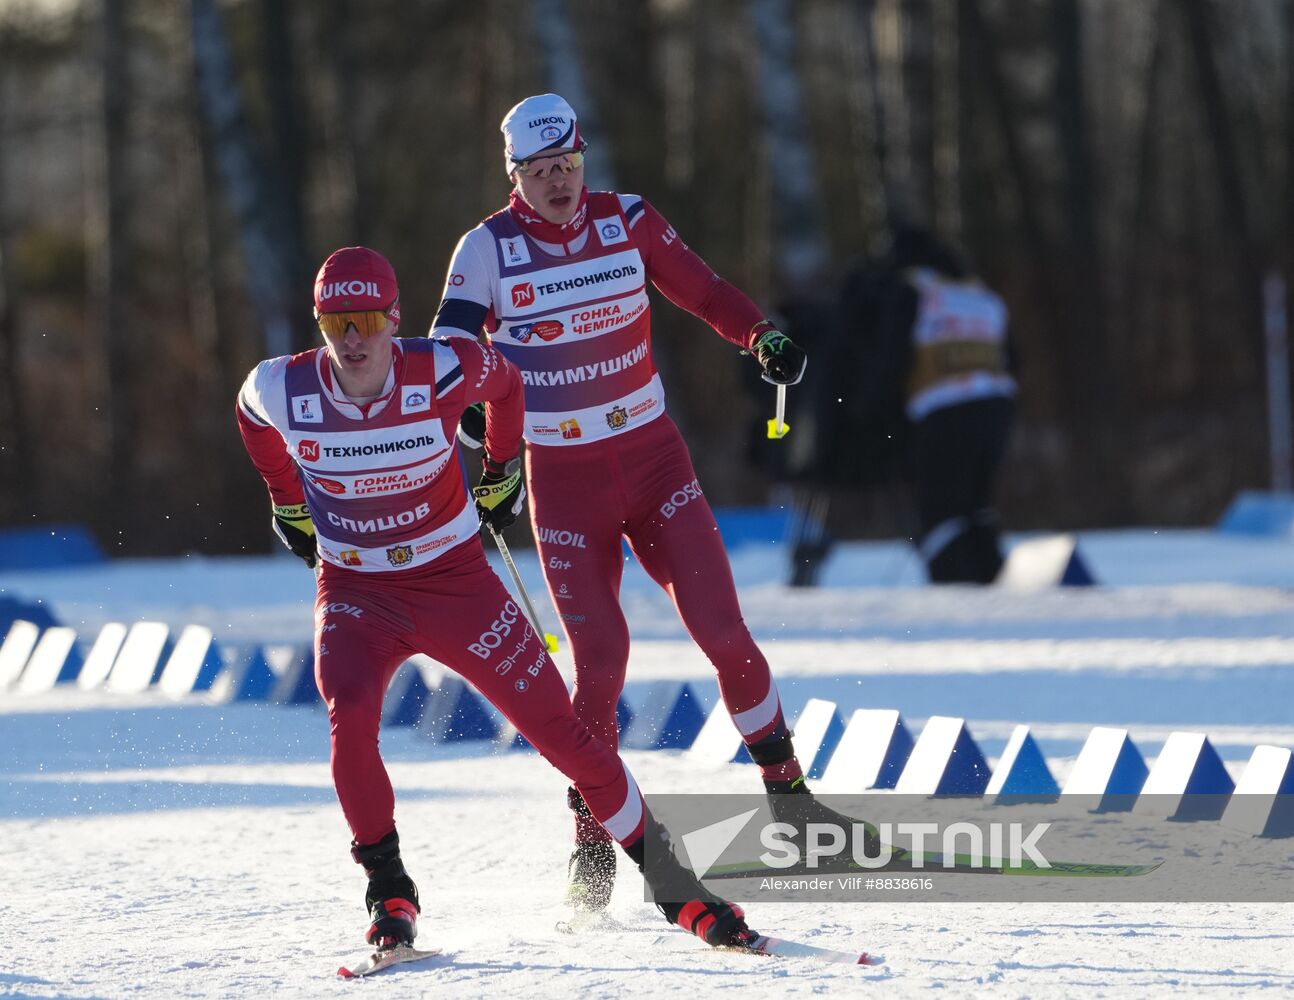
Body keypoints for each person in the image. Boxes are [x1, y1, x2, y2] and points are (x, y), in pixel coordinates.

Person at [236, 245, 760, 951]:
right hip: (359, 591)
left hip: (456, 586)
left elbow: (508, 385)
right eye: (336, 322)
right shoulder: (283, 387)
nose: (353, 339)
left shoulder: (442, 367)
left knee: (564, 739)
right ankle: (389, 889)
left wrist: (503, 466)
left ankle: (671, 884)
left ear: (394, 319)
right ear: (318, 324)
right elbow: (252, 420)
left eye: (366, 318)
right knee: (350, 714)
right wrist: (287, 502)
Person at [430, 94, 847, 913]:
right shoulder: (486, 248)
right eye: (542, 172)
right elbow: (448, 352)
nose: (560, 184)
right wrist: (479, 418)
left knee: (723, 629)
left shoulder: (627, 219)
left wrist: (759, 335)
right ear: (515, 176)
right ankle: (593, 846)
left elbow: (705, 289)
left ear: (585, 160)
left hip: (655, 462)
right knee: (602, 663)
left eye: (570, 167)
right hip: (564, 480)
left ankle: (791, 800)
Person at [844, 226, 1017, 583]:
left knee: (940, 508)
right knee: (976, 502)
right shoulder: (978, 291)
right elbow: (1013, 355)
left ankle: (954, 590)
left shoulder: (913, 290)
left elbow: (892, 358)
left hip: (944, 408)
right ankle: (992, 579)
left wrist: (867, 411)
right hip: (998, 405)